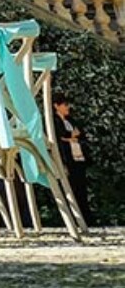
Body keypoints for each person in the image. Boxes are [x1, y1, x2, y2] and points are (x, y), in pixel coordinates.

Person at [52, 94, 92, 226]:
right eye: (64, 105)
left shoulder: (71, 120)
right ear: (56, 106)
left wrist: (71, 138)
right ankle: (73, 218)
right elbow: (59, 137)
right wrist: (70, 137)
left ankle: (86, 217)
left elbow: (80, 134)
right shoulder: (54, 121)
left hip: (78, 157)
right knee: (71, 187)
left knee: (82, 187)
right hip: (67, 158)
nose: (67, 107)